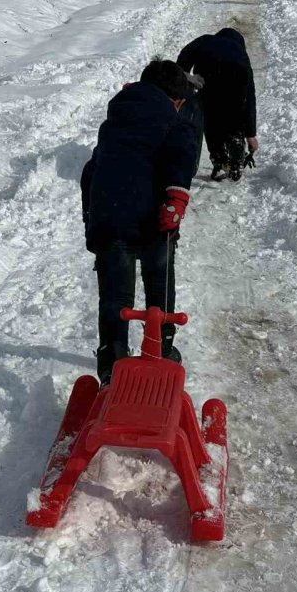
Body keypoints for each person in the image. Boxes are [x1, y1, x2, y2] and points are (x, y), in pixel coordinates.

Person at [80, 60, 200, 384]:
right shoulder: (175, 123)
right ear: (176, 100)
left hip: (111, 221)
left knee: (115, 300)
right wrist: (176, 198)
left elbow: (90, 172)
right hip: (153, 223)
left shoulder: (115, 121)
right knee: (159, 286)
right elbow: (182, 155)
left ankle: (111, 363)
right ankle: (160, 350)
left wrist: (92, 220)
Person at [176, 28, 258, 182]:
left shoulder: (206, 40)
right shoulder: (242, 55)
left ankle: (219, 158)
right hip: (237, 76)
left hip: (209, 76)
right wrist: (250, 134)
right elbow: (250, 98)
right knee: (235, 116)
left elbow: (184, 55)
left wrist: (186, 75)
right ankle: (235, 141)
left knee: (211, 119)